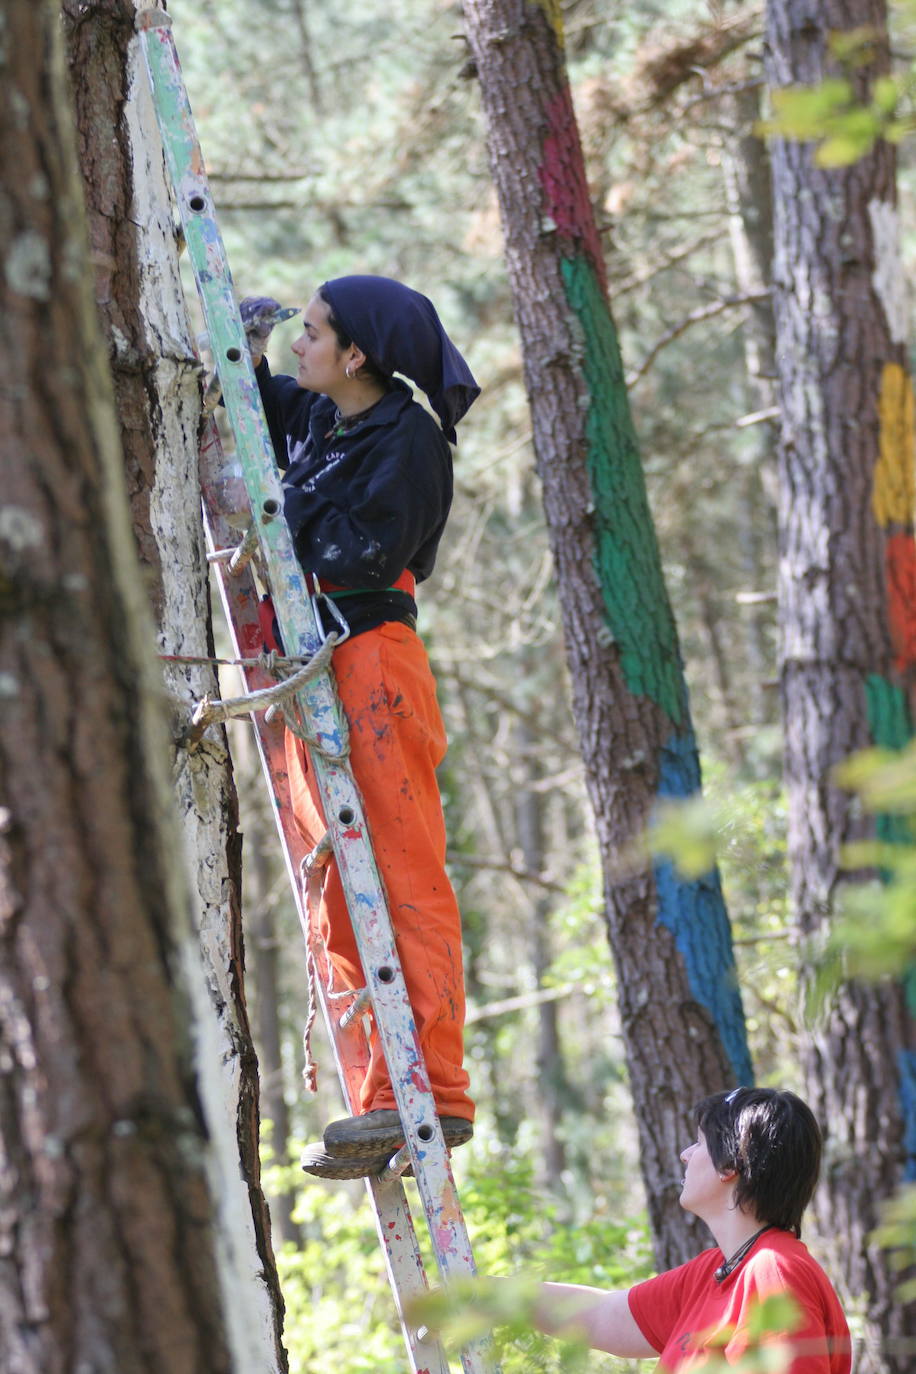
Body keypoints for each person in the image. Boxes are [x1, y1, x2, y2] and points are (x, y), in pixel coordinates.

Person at [248, 275, 480, 1179]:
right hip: (314, 665)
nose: (300, 345)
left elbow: (360, 549)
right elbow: (261, 418)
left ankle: (439, 1093)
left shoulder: (408, 438)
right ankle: (379, 1096)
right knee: (332, 884)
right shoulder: (323, 417)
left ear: (357, 356)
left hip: (375, 664)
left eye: (310, 334)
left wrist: (275, 505)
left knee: (402, 870)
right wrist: (252, 351)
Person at [518, 1087, 851, 1372]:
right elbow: (605, 1316)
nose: (685, 1155)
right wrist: (486, 1294)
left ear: (730, 1165)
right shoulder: (713, 1272)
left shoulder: (774, 1275)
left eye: (699, 1143)